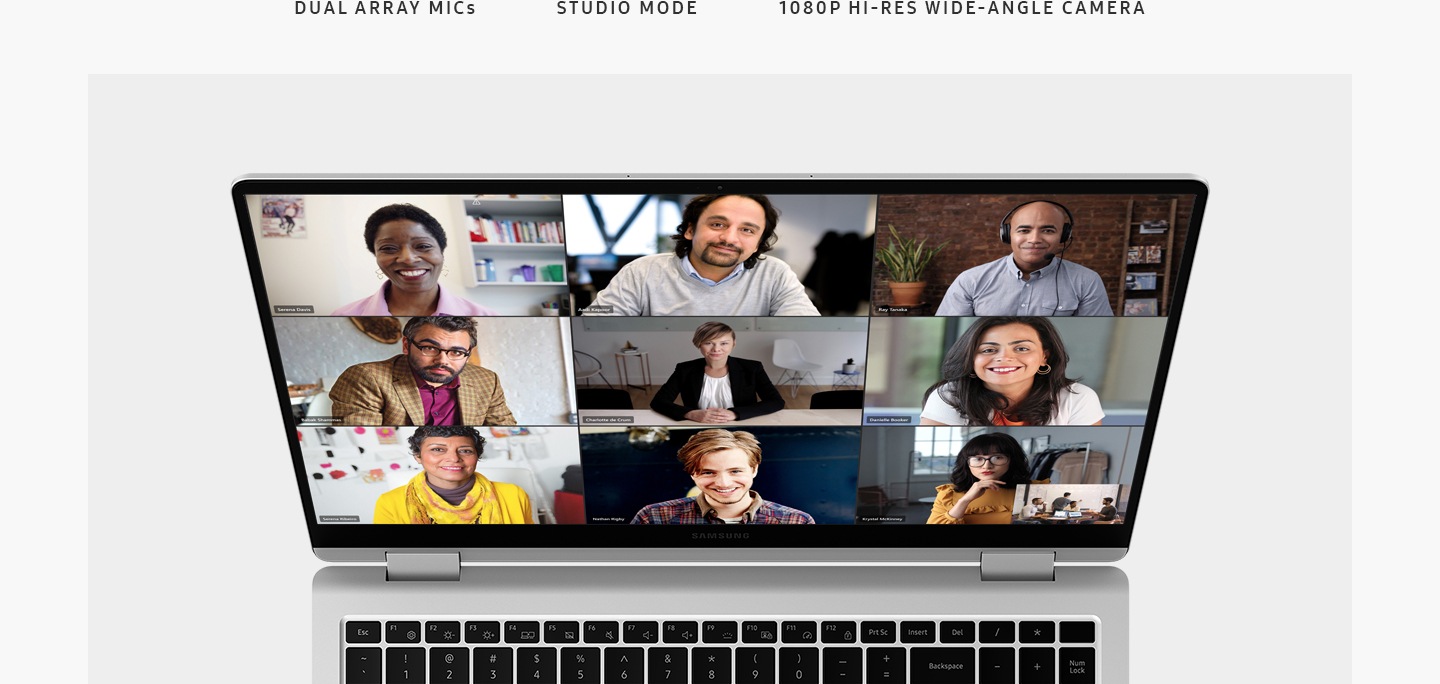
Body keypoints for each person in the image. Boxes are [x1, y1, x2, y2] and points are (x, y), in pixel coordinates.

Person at [585, 194, 819, 316]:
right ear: (690, 230)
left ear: (758, 243)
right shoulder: (641, 271)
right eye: (718, 224)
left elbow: (807, 329)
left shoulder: (775, 273)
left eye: (747, 230)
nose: (729, 238)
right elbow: (593, 323)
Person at [328, 316, 516, 426]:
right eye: (429, 348)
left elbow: (504, 430)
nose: (442, 360)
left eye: (457, 352)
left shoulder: (487, 380)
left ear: (467, 354)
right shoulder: (366, 378)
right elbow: (364, 439)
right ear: (406, 345)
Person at [935, 200, 1112, 316]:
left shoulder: (1086, 281)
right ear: (1007, 234)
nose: (1034, 239)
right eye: (1024, 230)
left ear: (1063, 236)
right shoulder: (970, 280)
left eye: (1048, 231)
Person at [920, 316, 1104, 426]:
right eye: (988, 350)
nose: (1004, 358)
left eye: (1022, 348)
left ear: (1044, 357)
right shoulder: (948, 396)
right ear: (971, 358)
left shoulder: (1079, 397)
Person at [333, 203, 498, 316]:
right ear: (376, 256)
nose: (408, 259)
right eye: (389, 248)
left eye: (423, 246)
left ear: (441, 252)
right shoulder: (343, 315)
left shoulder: (486, 315)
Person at [630, 429, 815, 524]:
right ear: (693, 474)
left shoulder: (796, 521)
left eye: (735, 471)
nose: (723, 483)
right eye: (708, 472)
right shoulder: (653, 517)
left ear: (754, 470)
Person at [373, 426, 534, 524]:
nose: (454, 458)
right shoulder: (389, 502)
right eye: (438, 449)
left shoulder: (514, 494)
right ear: (418, 456)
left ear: (477, 456)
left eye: (465, 451)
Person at [649, 321, 785, 423]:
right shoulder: (685, 369)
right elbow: (659, 402)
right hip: (699, 427)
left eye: (724, 343)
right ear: (698, 344)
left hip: (741, 425)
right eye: (708, 343)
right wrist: (690, 414)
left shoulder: (752, 368)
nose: (716, 349)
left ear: (734, 343)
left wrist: (735, 414)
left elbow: (776, 402)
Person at [927, 433, 1034, 524]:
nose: (987, 466)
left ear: (1012, 460)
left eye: (997, 457)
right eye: (978, 459)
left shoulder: (1034, 490)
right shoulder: (948, 494)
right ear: (967, 463)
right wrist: (965, 500)